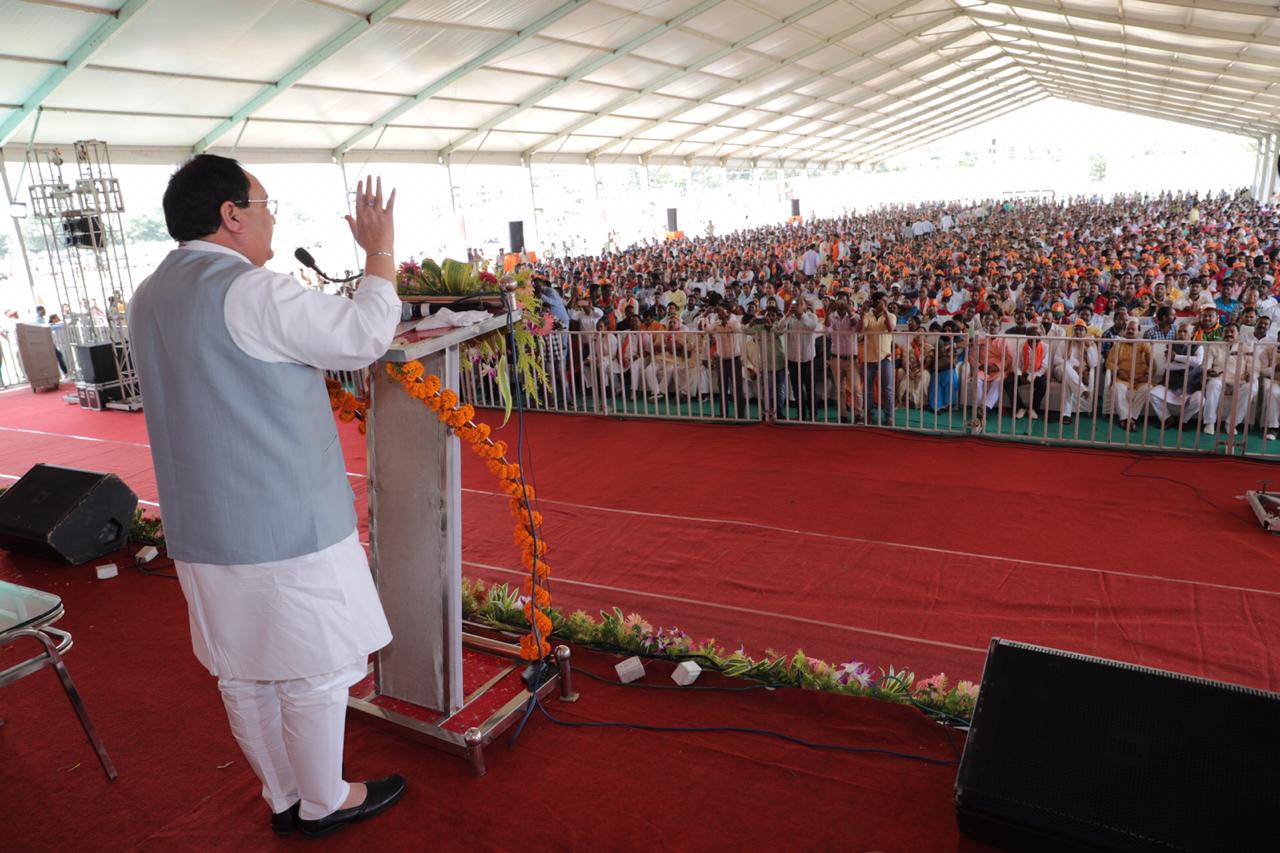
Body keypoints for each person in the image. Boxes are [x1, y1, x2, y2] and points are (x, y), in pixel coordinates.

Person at [127, 156, 405, 838]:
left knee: (244, 670)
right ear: (231, 215)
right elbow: (363, 335)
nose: (271, 215)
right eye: (264, 202)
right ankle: (324, 800)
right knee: (314, 666)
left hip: (199, 528)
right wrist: (380, 252)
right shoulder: (250, 290)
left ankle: (282, 793)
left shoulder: (149, 294)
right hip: (285, 524)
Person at [1105, 318, 1154, 432]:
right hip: (1123, 378)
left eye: (1133, 329)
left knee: (1147, 389)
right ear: (1124, 331)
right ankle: (1126, 418)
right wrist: (1117, 370)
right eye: (1128, 329)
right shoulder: (1119, 345)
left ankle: (1129, 418)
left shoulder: (1145, 345)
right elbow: (1109, 362)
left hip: (1140, 380)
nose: (1130, 331)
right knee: (1117, 388)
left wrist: (1147, 374)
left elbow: (1152, 364)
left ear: (1138, 332)